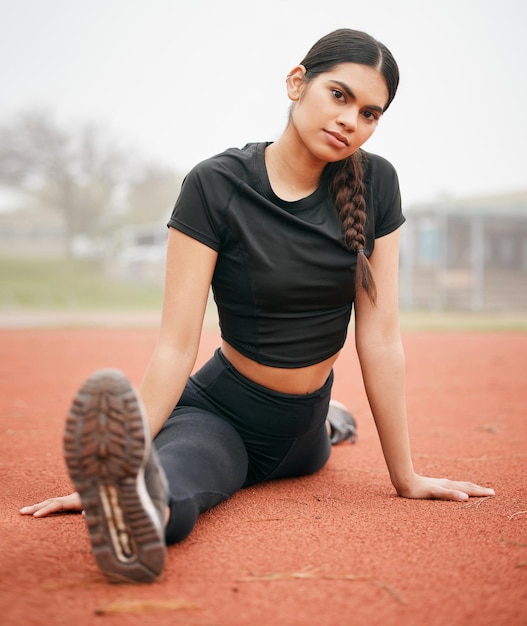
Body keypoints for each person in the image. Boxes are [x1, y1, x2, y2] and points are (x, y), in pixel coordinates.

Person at [20, 28, 495, 584]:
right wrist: (117, 467)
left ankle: (336, 420)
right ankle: (128, 508)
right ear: (297, 83)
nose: (351, 120)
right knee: (171, 496)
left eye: (370, 113)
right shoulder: (215, 185)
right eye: (339, 96)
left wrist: (405, 476)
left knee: (322, 426)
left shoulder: (377, 182)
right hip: (223, 417)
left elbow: (381, 337)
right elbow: (177, 344)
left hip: (306, 432)